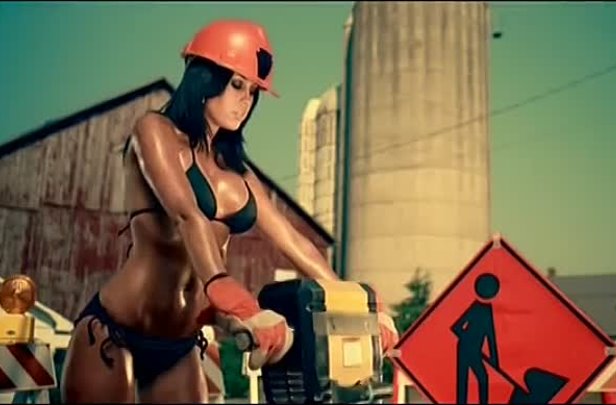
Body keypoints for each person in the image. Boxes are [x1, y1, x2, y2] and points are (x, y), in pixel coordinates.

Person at [61, 19, 399, 403]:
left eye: (253, 92)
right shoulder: (154, 131)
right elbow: (187, 216)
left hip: (179, 345)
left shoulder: (239, 172)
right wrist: (236, 300)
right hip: (114, 333)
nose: (246, 100)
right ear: (204, 78)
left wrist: (362, 307)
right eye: (237, 85)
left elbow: (295, 243)